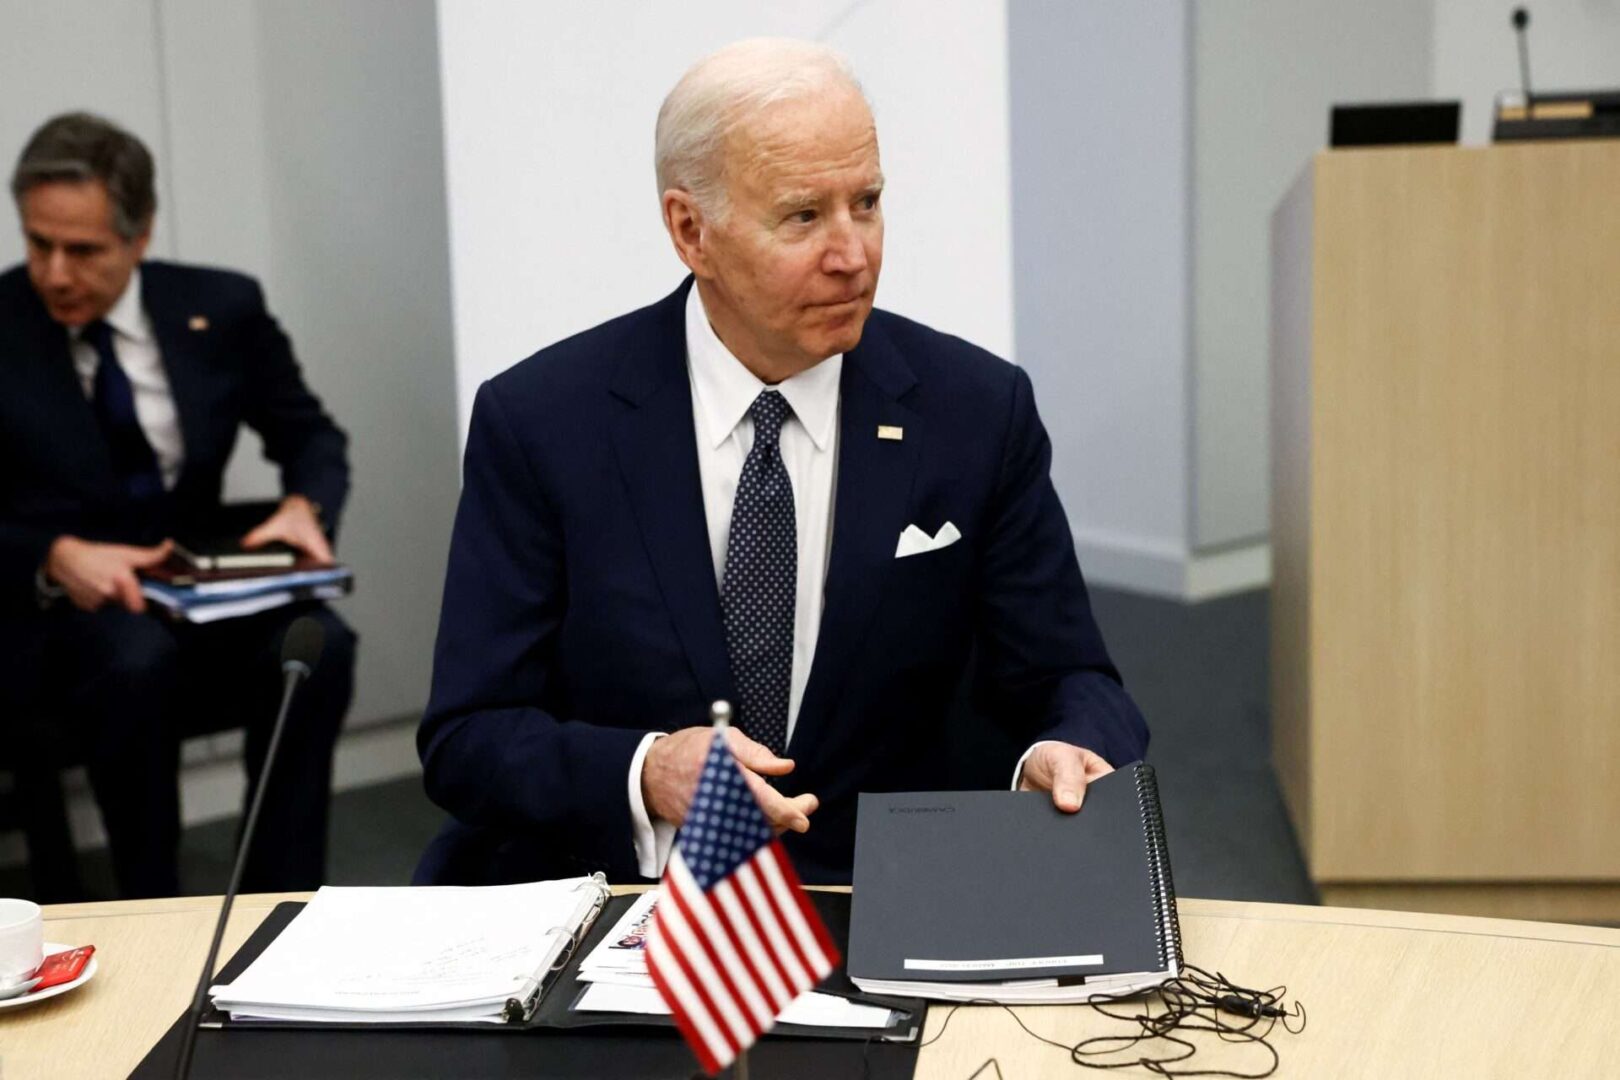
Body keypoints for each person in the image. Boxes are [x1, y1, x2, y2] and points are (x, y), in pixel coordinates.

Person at [417, 39, 1148, 887]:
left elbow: (1070, 676)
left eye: (866, 203)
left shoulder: (976, 412)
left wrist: (1064, 749)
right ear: (691, 230)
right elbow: (468, 735)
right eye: (804, 217)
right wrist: (646, 771)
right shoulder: (544, 422)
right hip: (630, 904)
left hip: (887, 894)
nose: (853, 254)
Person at [0, 113, 356, 899]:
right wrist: (53, 552)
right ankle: (151, 903)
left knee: (319, 645)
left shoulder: (219, 308)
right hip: (56, 611)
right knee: (135, 663)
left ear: (139, 236)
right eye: (37, 243)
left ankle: (276, 901)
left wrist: (307, 505)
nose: (55, 272)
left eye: (83, 250)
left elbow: (311, 434)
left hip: (190, 581)